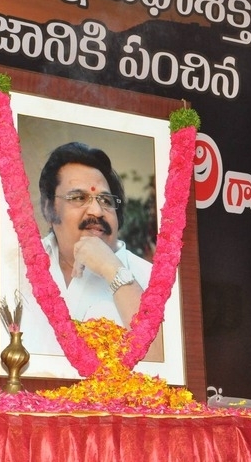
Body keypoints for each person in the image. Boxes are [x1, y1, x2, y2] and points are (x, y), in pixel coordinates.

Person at [19, 142, 162, 359]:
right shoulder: (16, 266)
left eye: (105, 200)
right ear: (49, 208)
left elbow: (164, 368)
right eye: (78, 198)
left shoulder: (152, 279)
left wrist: (112, 270)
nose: (96, 210)